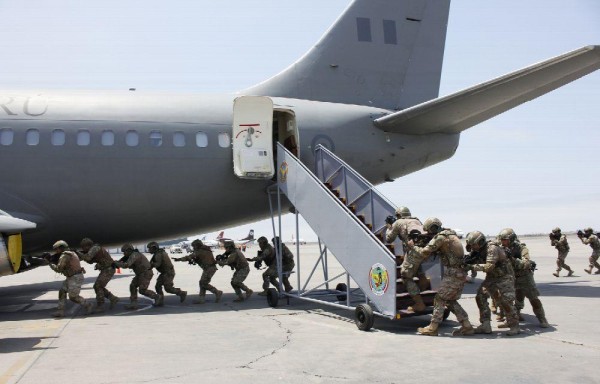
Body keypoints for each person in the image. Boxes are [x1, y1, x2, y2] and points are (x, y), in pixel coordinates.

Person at [405, 217, 474, 336]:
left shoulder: (440, 238)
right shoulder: (450, 234)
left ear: (432, 228)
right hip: (459, 272)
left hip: (453, 273)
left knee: (439, 298)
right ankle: (466, 325)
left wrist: (412, 246)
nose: (428, 234)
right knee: (450, 301)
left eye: (429, 231)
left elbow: (424, 252)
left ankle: (433, 328)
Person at [466, 231, 520, 336]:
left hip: (504, 277)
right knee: (480, 296)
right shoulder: (478, 250)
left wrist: (471, 267)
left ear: (480, 242)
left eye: (474, 244)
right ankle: (485, 325)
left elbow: (489, 267)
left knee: (506, 301)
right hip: (492, 277)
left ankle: (514, 326)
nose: (473, 247)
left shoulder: (492, 248)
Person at [498, 228, 549, 328]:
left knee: (533, 298)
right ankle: (511, 320)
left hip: (525, 277)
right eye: (502, 240)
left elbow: (526, 263)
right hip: (512, 277)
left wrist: (512, 259)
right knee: (512, 299)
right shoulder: (502, 248)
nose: (503, 242)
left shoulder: (522, 248)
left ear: (512, 239)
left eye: (505, 240)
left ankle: (542, 319)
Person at [384, 206, 428, 312]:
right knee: (418, 271)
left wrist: (389, 227)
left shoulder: (398, 222)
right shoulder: (416, 220)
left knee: (405, 276)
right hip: (423, 251)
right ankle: (422, 285)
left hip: (412, 252)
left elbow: (389, 239)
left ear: (399, 215)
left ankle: (419, 303)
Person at [48, 240, 93, 317]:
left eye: (57, 249)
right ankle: (60, 311)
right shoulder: (70, 253)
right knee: (62, 291)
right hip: (71, 277)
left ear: (61, 248)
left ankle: (88, 305)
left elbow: (59, 269)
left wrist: (50, 263)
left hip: (75, 278)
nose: (56, 251)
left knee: (73, 297)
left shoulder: (65, 255)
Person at [173, 239, 222, 304]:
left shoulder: (200, 251)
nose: (193, 247)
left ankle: (217, 292)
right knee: (202, 283)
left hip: (209, 268)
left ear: (197, 245)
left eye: (194, 246)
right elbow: (202, 258)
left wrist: (179, 259)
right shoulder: (206, 249)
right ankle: (201, 299)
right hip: (209, 268)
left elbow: (189, 257)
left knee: (203, 283)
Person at [77, 238, 119, 312]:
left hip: (108, 269)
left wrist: (78, 253)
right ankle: (113, 298)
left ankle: (101, 305)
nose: (83, 248)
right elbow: (90, 261)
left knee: (98, 286)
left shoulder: (95, 248)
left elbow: (88, 257)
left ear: (88, 245)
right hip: (106, 269)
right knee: (98, 286)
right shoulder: (93, 249)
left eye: (83, 247)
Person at [114, 243, 159, 309]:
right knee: (133, 286)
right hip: (140, 274)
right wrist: (118, 263)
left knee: (142, 290)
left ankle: (157, 297)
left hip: (146, 273)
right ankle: (133, 303)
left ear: (129, 250)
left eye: (124, 252)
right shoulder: (131, 255)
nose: (124, 254)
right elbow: (124, 261)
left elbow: (127, 265)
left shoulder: (135, 255)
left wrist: (117, 263)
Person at [147, 241, 187, 306]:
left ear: (154, 248)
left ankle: (181, 293)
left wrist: (151, 265)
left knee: (168, 288)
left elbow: (157, 264)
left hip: (168, 272)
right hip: (164, 272)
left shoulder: (158, 254)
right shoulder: (158, 253)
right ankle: (160, 300)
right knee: (158, 286)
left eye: (149, 248)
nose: (149, 250)